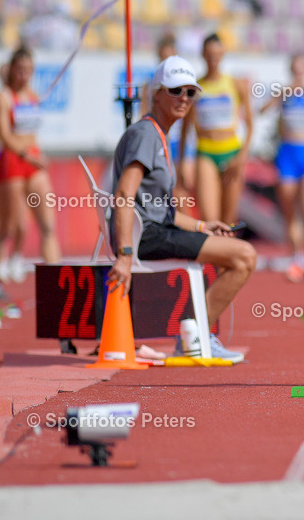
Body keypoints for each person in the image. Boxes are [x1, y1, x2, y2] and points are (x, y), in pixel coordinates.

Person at [108, 56, 254, 361]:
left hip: (155, 230)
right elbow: (123, 194)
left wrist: (203, 226)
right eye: (176, 91)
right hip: (146, 237)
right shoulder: (146, 134)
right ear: (157, 92)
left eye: (191, 92)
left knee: (235, 252)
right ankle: (196, 334)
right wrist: (123, 256)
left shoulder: (158, 134)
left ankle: (193, 333)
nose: (184, 99)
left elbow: (165, 212)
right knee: (244, 257)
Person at [259, 54, 304, 282]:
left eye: (302, 71)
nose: (298, 75)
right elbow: (261, 111)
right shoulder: (284, 93)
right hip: (287, 154)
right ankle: (296, 257)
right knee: (290, 210)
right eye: (295, 71)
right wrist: (283, 94)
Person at [0, 47, 60, 295]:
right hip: (13, 161)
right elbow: (4, 135)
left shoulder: (33, 95)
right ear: (13, 70)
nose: (24, 75)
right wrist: (25, 153)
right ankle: (1, 269)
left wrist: (36, 154)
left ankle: (56, 278)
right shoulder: (4, 98)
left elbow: (32, 134)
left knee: (47, 224)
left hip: (33, 163)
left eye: (28, 70)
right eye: (20, 70)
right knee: (11, 226)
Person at [179, 33, 253, 226]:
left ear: (223, 54)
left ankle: (225, 255)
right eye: (209, 54)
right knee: (210, 218)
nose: (213, 59)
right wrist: (182, 163)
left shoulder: (236, 84)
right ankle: (210, 256)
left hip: (231, 152)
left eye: (217, 54)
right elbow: (185, 129)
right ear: (203, 55)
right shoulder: (195, 88)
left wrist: (242, 156)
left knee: (229, 219)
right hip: (205, 152)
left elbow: (251, 125)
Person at [141, 33, 197, 209]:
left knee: (181, 191)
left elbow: (188, 122)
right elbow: (144, 116)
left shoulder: (185, 86)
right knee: (164, 191)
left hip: (178, 143)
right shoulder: (150, 86)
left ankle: (185, 231)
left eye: (169, 57)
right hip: (159, 140)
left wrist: (184, 154)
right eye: (162, 57)